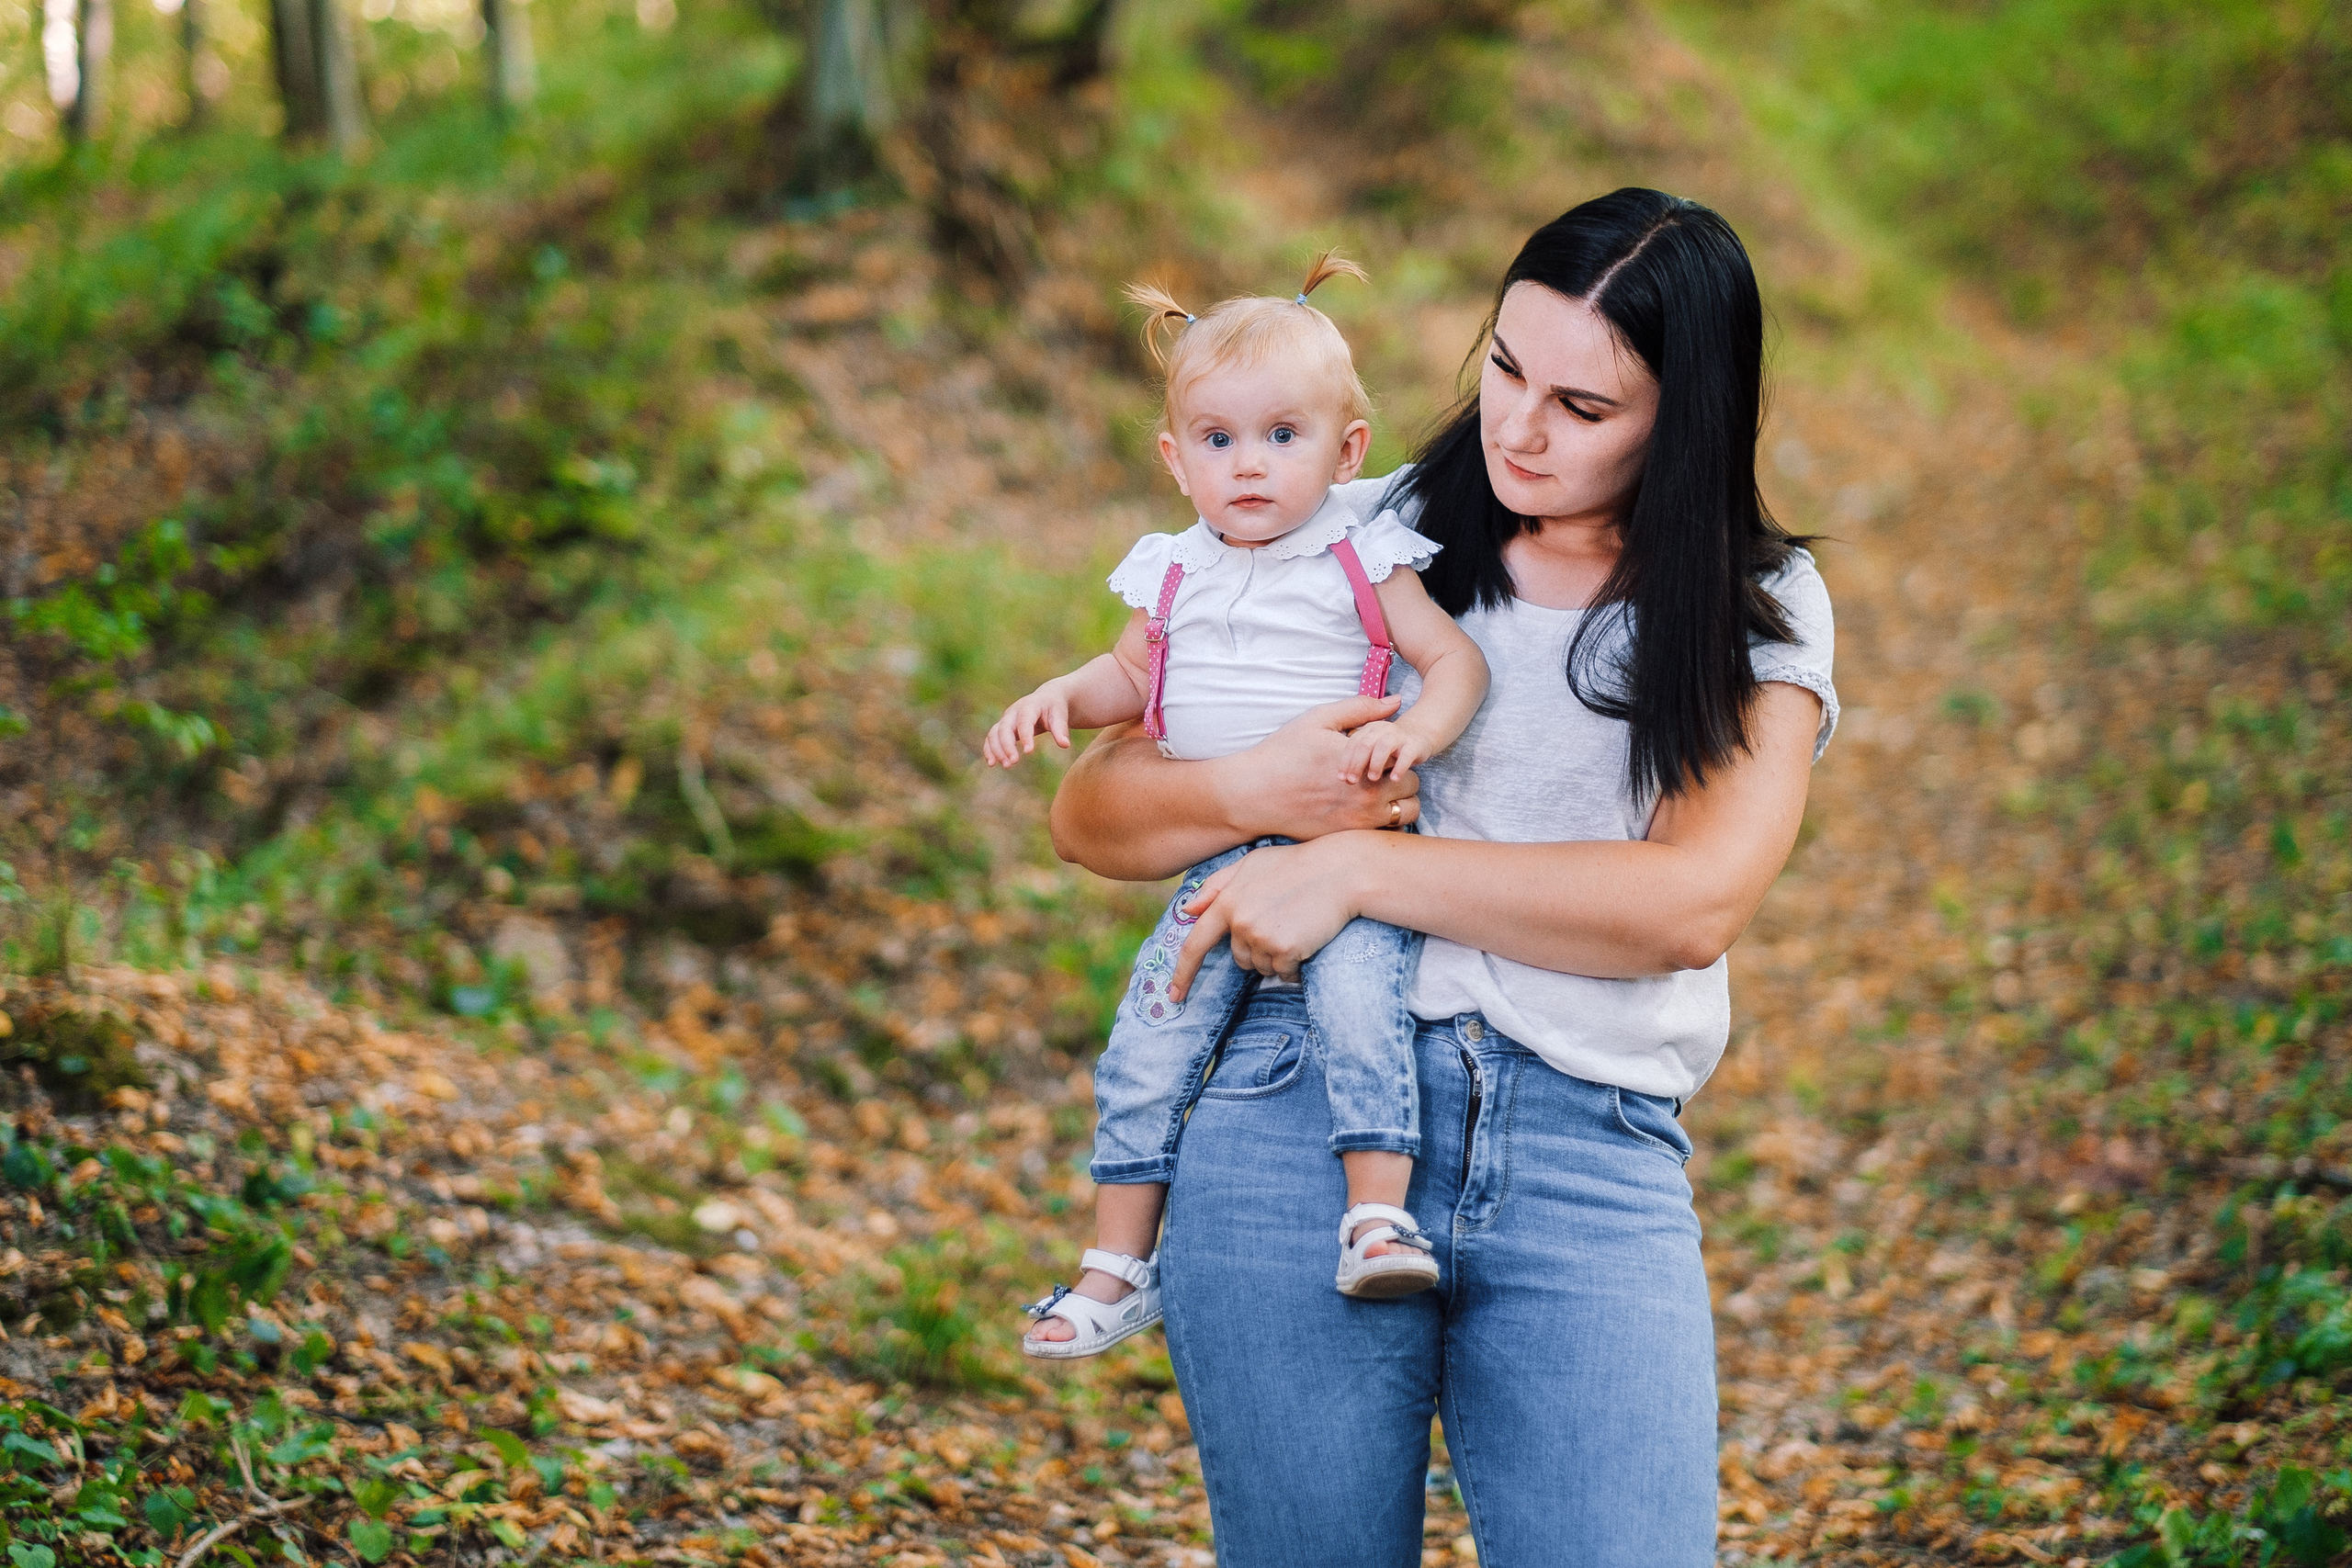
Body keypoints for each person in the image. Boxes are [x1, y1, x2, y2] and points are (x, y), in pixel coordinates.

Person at [1047, 189, 1838, 1565]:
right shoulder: (1352, 535)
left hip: (1591, 1142)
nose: (1520, 427)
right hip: (1292, 1110)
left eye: (1584, 407)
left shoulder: (1752, 601)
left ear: (1687, 416)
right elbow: (1093, 813)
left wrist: (1358, 865)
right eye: (1507, 369)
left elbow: (1688, 903)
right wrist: (1248, 792)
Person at [985, 254, 1490, 1358]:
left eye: (1281, 437)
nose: (1248, 467)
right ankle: (1116, 1265)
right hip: (1215, 852)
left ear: (1346, 451)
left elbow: (1451, 662)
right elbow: (1131, 680)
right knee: (1152, 1032)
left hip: (1345, 848)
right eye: (1217, 441)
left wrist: (1417, 732)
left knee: (1361, 1011)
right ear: (1175, 459)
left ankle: (1375, 1215)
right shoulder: (1171, 574)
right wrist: (1058, 699)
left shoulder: (1361, 554)